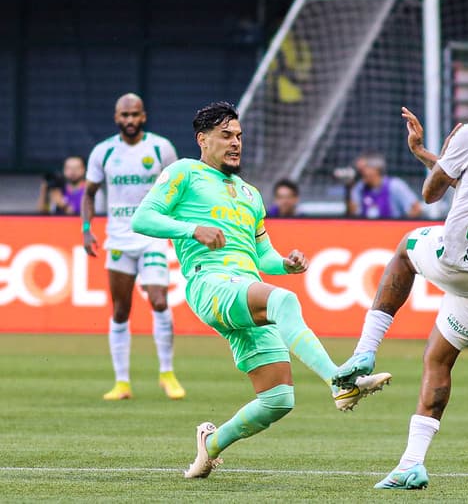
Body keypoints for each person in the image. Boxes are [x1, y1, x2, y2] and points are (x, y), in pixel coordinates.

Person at [130, 102, 391, 478]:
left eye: (238, 136)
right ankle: (339, 381)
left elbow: (261, 254)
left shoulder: (250, 193)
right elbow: (143, 217)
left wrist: (285, 263)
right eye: (226, 136)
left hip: (245, 285)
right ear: (202, 140)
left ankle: (210, 446)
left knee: (278, 400)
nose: (236, 143)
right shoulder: (184, 172)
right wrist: (192, 229)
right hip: (210, 283)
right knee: (283, 300)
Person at [331, 61, 468, 490]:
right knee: (438, 360)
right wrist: (430, 155)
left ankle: (365, 353)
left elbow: (431, 194)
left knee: (407, 248)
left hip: (459, 258)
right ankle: (411, 463)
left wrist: (439, 158)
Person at [81, 93, 185, 401]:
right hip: (119, 240)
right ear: (116, 118)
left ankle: (167, 374)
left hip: (151, 236)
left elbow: (180, 186)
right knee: (121, 309)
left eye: (135, 114)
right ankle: (122, 382)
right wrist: (87, 229)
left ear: (144, 116)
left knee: (159, 301)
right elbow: (89, 193)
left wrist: (178, 227)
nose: (129, 120)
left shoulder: (160, 148)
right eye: (124, 115)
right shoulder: (103, 152)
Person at [347, 152, 422, 219]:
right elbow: (354, 214)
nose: (361, 173)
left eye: (364, 168)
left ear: (376, 169)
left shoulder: (395, 186)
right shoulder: (359, 188)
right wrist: (349, 187)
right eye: (359, 170)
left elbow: (416, 209)